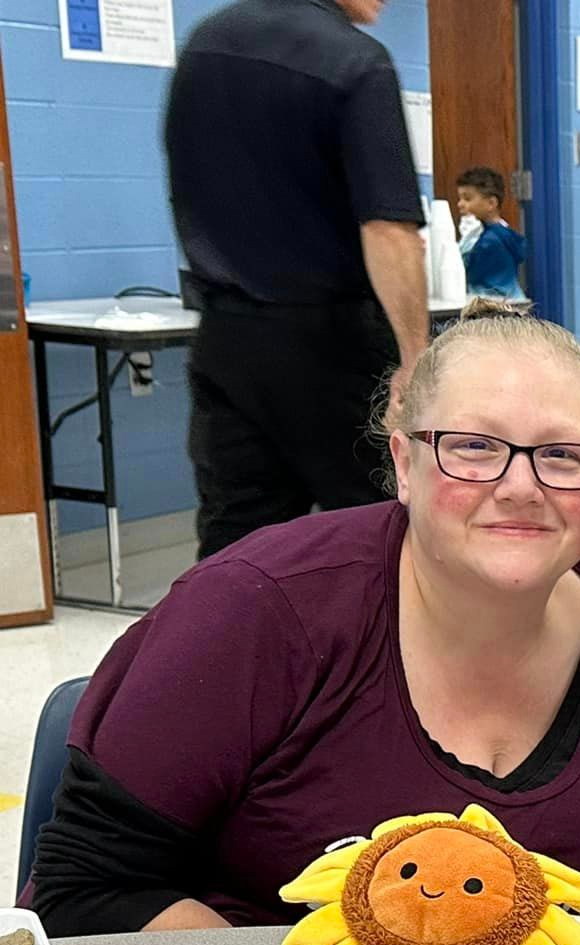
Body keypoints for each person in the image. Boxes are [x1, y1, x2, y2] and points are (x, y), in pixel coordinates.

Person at [26, 304, 580, 934]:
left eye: (563, 455)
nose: (520, 486)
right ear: (404, 464)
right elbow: (83, 889)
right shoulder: (260, 610)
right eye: (473, 447)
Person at [165, 0, 430, 559]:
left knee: (236, 541)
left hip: (224, 338)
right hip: (332, 347)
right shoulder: (357, 62)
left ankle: (230, 645)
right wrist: (414, 359)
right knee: (377, 530)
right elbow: (388, 227)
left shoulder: (205, 44)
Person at [455, 166, 527, 300]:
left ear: (491, 203)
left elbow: (465, 271)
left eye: (467, 199)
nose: (460, 204)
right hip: (513, 301)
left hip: (493, 307)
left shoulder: (490, 241)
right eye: (459, 198)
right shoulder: (504, 233)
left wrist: (468, 241)